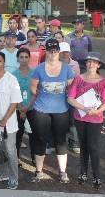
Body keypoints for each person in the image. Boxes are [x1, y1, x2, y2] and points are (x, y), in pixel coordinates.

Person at [28, 39, 75, 183]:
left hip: (61, 110)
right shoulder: (39, 68)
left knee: (60, 140)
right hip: (41, 110)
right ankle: (39, 170)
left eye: (55, 50)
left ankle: (62, 172)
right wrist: (44, 96)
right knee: (40, 139)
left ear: (59, 51)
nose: (53, 53)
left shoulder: (67, 69)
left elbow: (70, 88)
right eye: (50, 50)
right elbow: (33, 89)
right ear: (46, 51)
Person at [66, 52, 105, 190]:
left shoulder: (103, 82)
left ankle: (96, 175)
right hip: (80, 117)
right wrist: (84, 108)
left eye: (94, 62)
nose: (91, 64)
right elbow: (70, 98)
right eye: (89, 62)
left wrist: (96, 111)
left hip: (96, 119)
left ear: (98, 65)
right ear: (86, 64)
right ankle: (83, 173)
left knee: (93, 147)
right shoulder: (78, 79)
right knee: (83, 146)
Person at [0, 52, 23, 190]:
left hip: (8, 125)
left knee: (10, 151)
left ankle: (14, 178)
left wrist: (4, 120)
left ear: (4, 62)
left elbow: (14, 103)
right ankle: (3, 173)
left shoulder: (11, 79)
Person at [12, 48, 34, 161]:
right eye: (21, 57)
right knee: (18, 135)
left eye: (26, 57)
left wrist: (27, 108)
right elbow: (13, 93)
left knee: (33, 135)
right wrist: (21, 109)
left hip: (32, 108)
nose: (24, 59)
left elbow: (36, 93)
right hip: (17, 109)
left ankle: (34, 157)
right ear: (17, 58)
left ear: (29, 58)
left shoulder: (34, 73)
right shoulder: (13, 75)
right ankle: (17, 159)